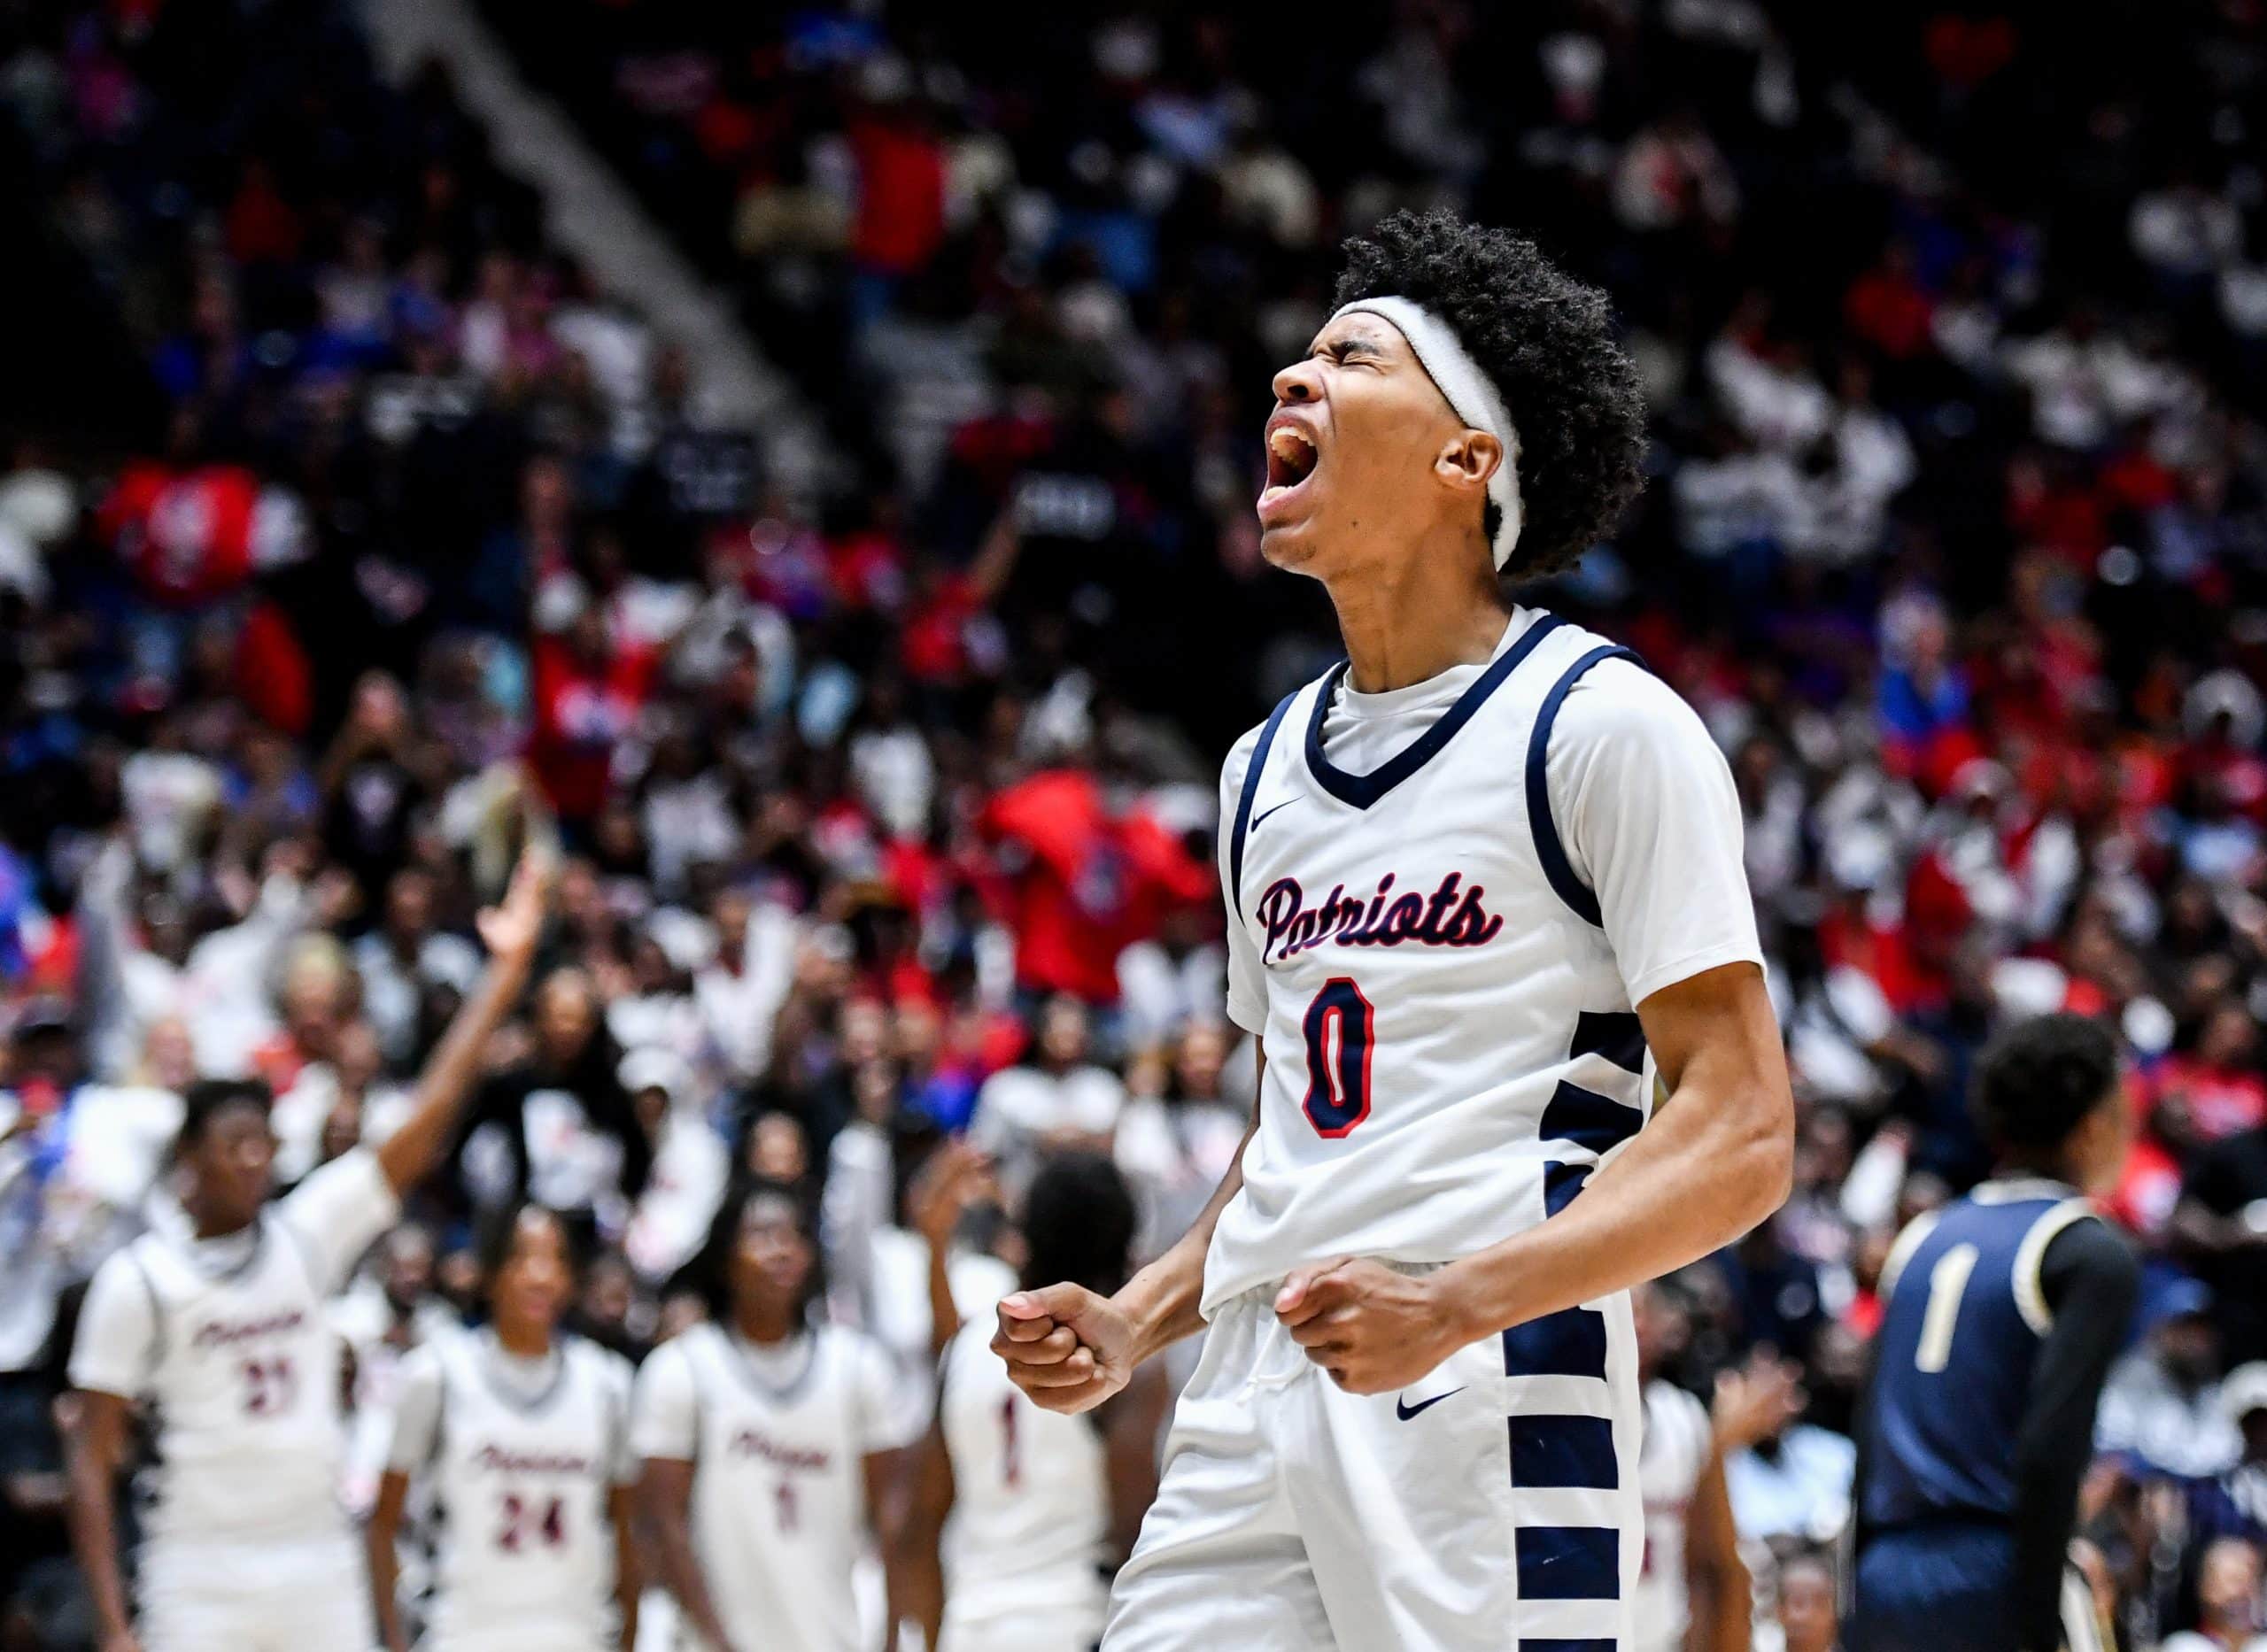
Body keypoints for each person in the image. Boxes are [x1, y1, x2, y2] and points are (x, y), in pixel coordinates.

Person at [993, 210, 1794, 1650]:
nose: (1291, 385)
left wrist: (1454, 1300)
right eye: (1295, 362)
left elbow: (1741, 1133)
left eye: (1350, 360)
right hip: (1253, 1377)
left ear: (1465, 460)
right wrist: (1140, 1314)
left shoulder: (1601, 728)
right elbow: (1290, 1144)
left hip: (1483, 1372)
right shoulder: (1258, 772)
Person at [62, 848, 552, 1652]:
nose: (256, 1159)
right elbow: (90, 1459)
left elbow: (424, 1122)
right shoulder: (140, 1282)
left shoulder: (307, 1230)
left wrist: (507, 971)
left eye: (263, 1143)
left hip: (317, 1560)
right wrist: (113, 1628)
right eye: (234, 1145)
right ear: (189, 1164)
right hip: (196, 1568)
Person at [1849, 1012, 2140, 1652]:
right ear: (2094, 1127)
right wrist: (2035, 1621)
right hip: (1997, 1570)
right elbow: (2049, 1449)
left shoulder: (1921, 1238)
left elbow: (1868, 1434)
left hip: (1886, 1574)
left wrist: (1858, 1594)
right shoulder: (2088, 1250)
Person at [892, 1154, 1169, 1652]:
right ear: (1125, 1245)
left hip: (972, 1626)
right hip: (1077, 1624)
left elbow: (916, 1527)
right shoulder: (1126, 1361)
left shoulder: (967, 1347)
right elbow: (1135, 1532)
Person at [634, 1179, 917, 1652]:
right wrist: (719, 1643)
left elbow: (893, 1517)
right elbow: (663, 1524)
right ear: (727, 1257)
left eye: (794, 1236)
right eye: (763, 1235)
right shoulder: (680, 1370)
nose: (781, 1250)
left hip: (836, 1636)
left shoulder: (857, 1366)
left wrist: (889, 1637)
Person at [368, 1201, 638, 1652]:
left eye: (554, 1259)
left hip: (575, 1634)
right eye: (521, 1256)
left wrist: (627, 1637)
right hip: (461, 1634)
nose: (539, 1275)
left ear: (572, 1279)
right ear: (488, 1271)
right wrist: (395, 1640)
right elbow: (382, 1525)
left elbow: (629, 1532)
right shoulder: (437, 1375)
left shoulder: (607, 1386)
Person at [1630, 1280, 1750, 1652]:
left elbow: (1707, 1564)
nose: (1631, 1326)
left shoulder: (1684, 1418)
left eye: (1638, 1313)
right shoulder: (1563, 1420)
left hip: (1661, 1639)